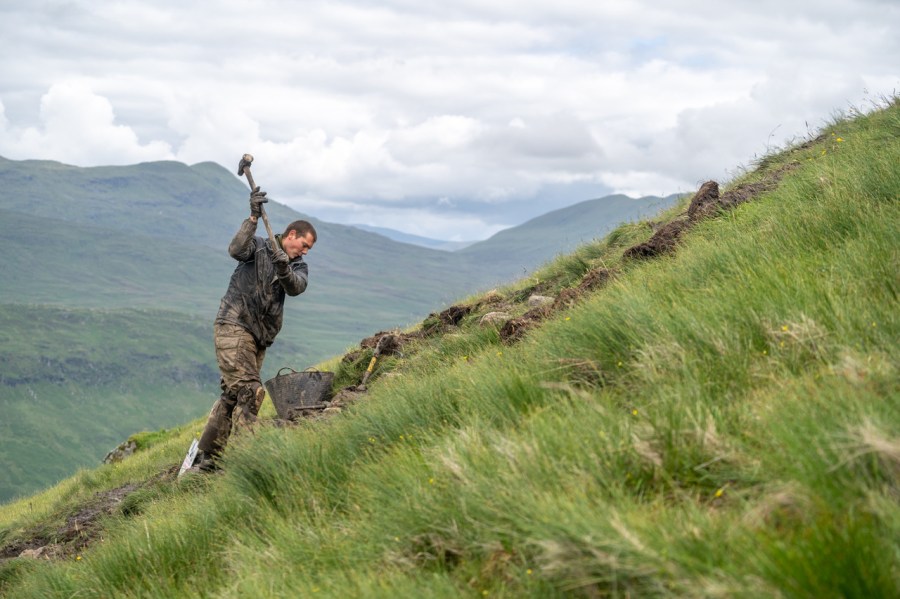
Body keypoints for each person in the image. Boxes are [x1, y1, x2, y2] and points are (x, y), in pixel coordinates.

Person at [194, 188, 317, 471]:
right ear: (290, 236)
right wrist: (252, 218)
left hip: (258, 338)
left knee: (233, 394)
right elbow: (236, 249)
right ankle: (243, 459)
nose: (306, 251)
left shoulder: (298, 266)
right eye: (304, 245)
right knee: (250, 391)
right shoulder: (258, 247)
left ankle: (209, 457)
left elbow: (296, 287)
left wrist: (284, 269)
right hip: (234, 325)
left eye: (309, 249)